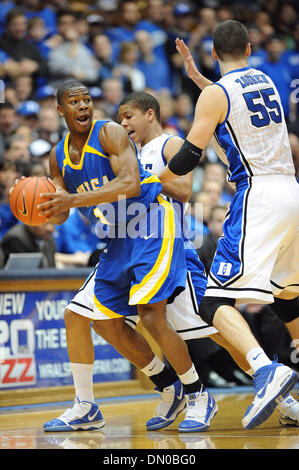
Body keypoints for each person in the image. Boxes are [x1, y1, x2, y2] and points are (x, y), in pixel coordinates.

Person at [36, 79, 213, 433]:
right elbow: (59, 212)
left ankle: (197, 394)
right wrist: (37, 204)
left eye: (87, 100)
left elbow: (130, 183)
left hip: (150, 224)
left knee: (152, 317)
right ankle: (96, 403)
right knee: (88, 318)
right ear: (61, 110)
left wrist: (71, 200)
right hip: (117, 236)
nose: (83, 106)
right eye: (75, 102)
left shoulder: (110, 133)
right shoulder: (56, 157)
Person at [158, 20, 298, 430]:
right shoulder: (267, 80)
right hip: (290, 190)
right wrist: (200, 79)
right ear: (251, 49)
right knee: (288, 294)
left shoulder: (215, 95)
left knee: (214, 303)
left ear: (214, 53)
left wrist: (155, 176)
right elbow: (229, 100)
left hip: (257, 195)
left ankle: (265, 371)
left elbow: (188, 157)